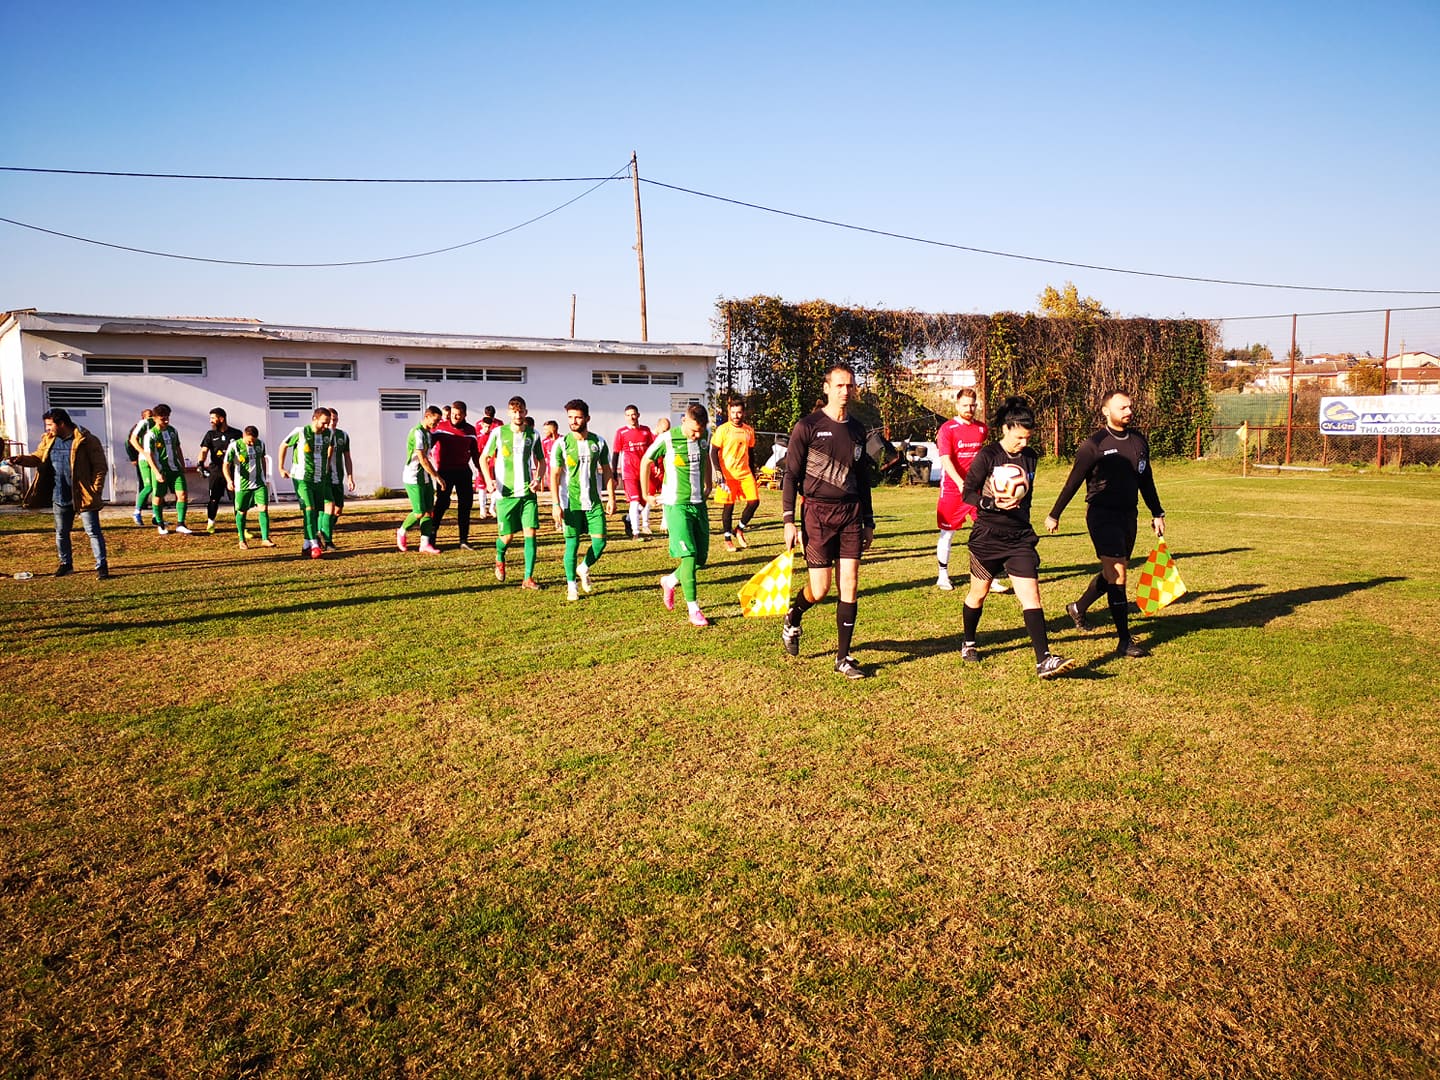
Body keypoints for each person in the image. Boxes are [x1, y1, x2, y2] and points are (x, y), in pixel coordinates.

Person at [957, 397, 1076, 679]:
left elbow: (1026, 496)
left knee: (1031, 596)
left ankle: (1043, 659)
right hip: (987, 536)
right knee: (978, 594)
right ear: (1006, 429)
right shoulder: (988, 456)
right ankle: (969, 641)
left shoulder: (1030, 457)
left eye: (1027, 438)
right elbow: (968, 493)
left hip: (1019, 538)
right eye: (1019, 437)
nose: (1023, 443)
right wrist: (992, 503)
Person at [1045, 389, 1166, 659]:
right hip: (1102, 515)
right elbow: (1073, 481)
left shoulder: (1139, 441)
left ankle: (1078, 607)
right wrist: (1055, 514)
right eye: (1122, 407)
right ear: (1105, 411)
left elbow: (1146, 480)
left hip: (1129, 516)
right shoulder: (1094, 445)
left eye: (1130, 407)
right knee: (1119, 573)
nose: (1129, 411)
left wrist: (1157, 512)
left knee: (1112, 572)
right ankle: (1124, 641)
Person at [779, 363, 874, 679]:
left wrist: (869, 521)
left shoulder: (858, 430)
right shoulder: (807, 426)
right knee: (820, 589)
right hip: (816, 515)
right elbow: (791, 476)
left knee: (850, 583)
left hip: (850, 514)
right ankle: (794, 616)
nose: (845, 391)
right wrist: (788, 521)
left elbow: (863, 479)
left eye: (850, 386)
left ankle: (843, 658)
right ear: (827, 388)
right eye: (839, 385)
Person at [6, 408, 110, 579]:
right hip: (60, 495)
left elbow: (100, 467)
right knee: (61, 532)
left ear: (61, 423)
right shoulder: (49, 439)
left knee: (93, 531)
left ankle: (101, 567)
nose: (47, 428)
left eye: (49, 425)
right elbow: (38, 457)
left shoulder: (86, 440)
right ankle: (65, 564)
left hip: (83, 495)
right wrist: (22, 460)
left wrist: (95, 490)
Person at [641, 403, 713, 627]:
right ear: (684, 421)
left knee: (700, 559)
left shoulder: (705, 436)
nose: (697, 435)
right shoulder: (667, 439)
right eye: (693, 431)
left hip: (698, 504)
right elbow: (646, 461)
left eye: (700, 431)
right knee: (689, 556)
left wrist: (709, 484)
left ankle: (670, 580)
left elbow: (706, 457)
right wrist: (645, 493)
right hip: (676, 505)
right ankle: (694, 609)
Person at [549, 398, 616, 602]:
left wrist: (611, 497)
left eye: (577, 417)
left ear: (587, 418)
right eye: (570, 417)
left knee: (600, 542)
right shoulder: (561, 444)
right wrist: (555, 504)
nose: (573, 421)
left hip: (594, 502)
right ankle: (572, 586)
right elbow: (554, 475)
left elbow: (607, 471)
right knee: (572, 545)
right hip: (570, 503)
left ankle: (584, 567)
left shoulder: (599, 442)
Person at [481, 395, 545, 588]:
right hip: (505, 494)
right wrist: (489, 481)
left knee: (530, 534)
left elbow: (542, 461)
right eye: (514, 412)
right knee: (507, 538)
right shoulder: (498, 433)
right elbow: (484, 458)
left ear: (526, 412)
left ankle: (528, 578)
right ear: (509, 413)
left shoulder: (533, 435)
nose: (518, 415)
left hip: (527, 494)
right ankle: (500, 556)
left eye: (521, 411)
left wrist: (538, 479)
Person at [934, 388, 992, 591]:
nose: (969, 409)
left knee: (985, 530)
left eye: (972, 405)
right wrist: (960, 483)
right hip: (953, 489)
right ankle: (943, 575)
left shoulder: (982, 429)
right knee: (948, 532)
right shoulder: (947, 429)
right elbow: (945, 459)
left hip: (976, 490)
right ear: (957, 405)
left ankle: (987, 575)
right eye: (965, 405)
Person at [279, 407, 334, 559]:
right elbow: (283, 445)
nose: (326, 426)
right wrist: (281, 467)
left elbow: (330, 448)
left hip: (319, 478)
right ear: (314, 419)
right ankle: (315, 544)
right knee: (309, 509)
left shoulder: (329, 434)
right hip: (302, 478)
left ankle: (305, 545)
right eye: (323, 423)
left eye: (328, 423)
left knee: (315, 512)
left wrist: (327, 465)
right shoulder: (300, 432)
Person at [711, 398, 761, 552]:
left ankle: (739, 529)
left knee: (754, 502)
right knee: (729, 506)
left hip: (745, 473)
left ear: (743, 413)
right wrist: (718, 472)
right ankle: (727, 539)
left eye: (738, 412)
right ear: (729, 413)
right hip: (728, 475)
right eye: (733, 412)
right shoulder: (722, 430)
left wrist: (753, 473)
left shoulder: (748, 430)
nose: (736, 416)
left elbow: (751, 454)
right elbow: (713, 452)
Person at [430, 399, 481, 550]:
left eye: (458, 414)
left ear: (464, 415)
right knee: (441, 504)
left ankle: (463, 540)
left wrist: (481, 471)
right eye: (453, 414)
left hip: (463, 472)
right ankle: (431, 538)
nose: (454, 417)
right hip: (445, 472)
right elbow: (427, 445)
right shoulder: (440, 427)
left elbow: (475, 453)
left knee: (465, 506)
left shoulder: (471, 430)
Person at [397, 405, 446, 553]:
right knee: (419, 512)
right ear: (427, 416)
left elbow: (428, 458)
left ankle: (424, 543)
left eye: (439, 421)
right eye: (435, 420)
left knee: (429, 511)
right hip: (413, 476)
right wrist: (437, 477)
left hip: (425, 476)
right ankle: (401, 531)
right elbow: (422, 459)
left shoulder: (427, 434)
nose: (436, 424)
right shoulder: (417, 432)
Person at [222, 425, 277, 549]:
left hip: (259, 483)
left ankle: (265, 539)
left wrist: (265, 476)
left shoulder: (260, 444)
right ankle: (242, 540)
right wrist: (229, 481)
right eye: (249, 441)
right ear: (244, 436)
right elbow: (226, 465)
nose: (252, 443)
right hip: (243, 485)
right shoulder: (234, 446)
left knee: (263, 508)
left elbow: (262, 459)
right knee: (242, 511)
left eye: (254, 441)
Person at [142, 403, 192, 535]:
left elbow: (178, 447)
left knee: (182, 495)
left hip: (175, 469)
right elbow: (149, 455)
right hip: (160, 470)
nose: (166, 421)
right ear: (155, 418)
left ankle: (181, 524)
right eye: (163, 418)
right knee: (158, 497)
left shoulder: (172, 431)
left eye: (167, 418)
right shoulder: (151, 435)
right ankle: (160, 524)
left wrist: (182, 464)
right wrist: (156, 472)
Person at [196, 407, 243, 535]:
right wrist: (200, 464)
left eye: (213, 418)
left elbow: (243, 450)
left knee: (237, 499)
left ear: (221, 419)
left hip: (233, 472)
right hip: (216, 472)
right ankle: (211, 523)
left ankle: (241, 526)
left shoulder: (236, 433)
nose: (211, 421)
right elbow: (204, 450)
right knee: (214, 499)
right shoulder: (210, 434)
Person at [611, 404, 656, 539]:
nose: (631, 417)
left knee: (644, 502)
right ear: (625, 417)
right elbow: (615, 454)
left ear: (638, 415)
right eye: (628, 415)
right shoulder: (621, 432)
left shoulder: (646, 431)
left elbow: (653, 449)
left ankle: (628, 519)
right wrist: (614, 474)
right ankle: (636, 532)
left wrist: (656, 464)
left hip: (644, 471)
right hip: (629, 472)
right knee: (634, 501)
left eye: (633, 414)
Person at [323, 407, 355, 547]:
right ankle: (326, 539)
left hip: (338, 477)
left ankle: (324, 530)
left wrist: (350, 477)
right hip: (325, 478)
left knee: (338, 509)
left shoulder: (343, 436)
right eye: (330, 420)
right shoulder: (321, 435)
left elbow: (347, 457)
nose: (332, 422)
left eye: (335, 419)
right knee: (328, 507)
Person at [473, 405, 503, 520]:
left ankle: (492, 507)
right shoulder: (478, 426)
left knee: (495, 484)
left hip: (494, 461)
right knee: (482, 485)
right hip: (482, 461)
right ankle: (482, 509)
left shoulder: (499, 425)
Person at [125, 407, 152, 525]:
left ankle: (156, 515)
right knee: (145, 485)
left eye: (152, 415)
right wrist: (133, 457)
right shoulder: (139, 426)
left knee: (156, 486)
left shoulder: (155, 427)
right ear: (143, 417)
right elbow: (129, 442)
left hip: (154, 459)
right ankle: (139, 508)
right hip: (142, 459)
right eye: (149, 416)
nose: (151, 417)